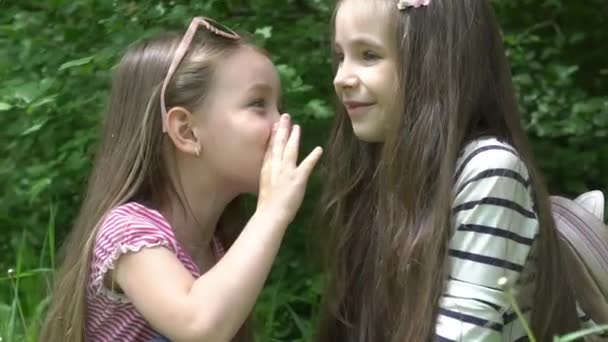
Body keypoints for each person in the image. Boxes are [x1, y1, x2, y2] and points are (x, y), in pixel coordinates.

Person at [316, 0, 594, 340]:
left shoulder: (489, 170)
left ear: (433, 62)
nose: (340, 78)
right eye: (341, 55)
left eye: (369, 55)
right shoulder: (379, 171)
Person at [40, 17, 322, 342]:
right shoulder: (128, 231)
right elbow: (198, 325)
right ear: (186, 131)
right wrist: (272, 211)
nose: (282, 124)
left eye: (279, 106)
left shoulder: (216, 247)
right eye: (258, 104)